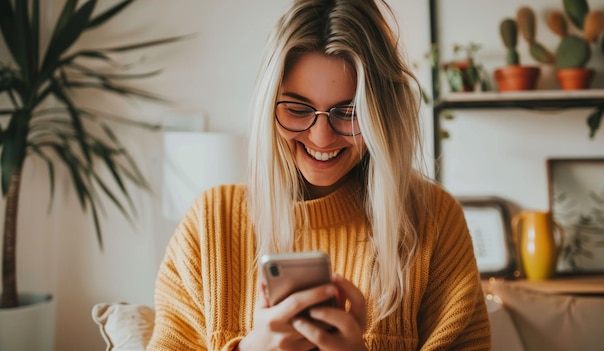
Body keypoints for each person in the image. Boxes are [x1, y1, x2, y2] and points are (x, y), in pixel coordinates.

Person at [147, 0, 491, 350]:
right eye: (297, 109)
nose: (321, 137)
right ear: (268, 106)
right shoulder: (210, 224)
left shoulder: (433, 220)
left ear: (381, 115)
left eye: (349, 112)